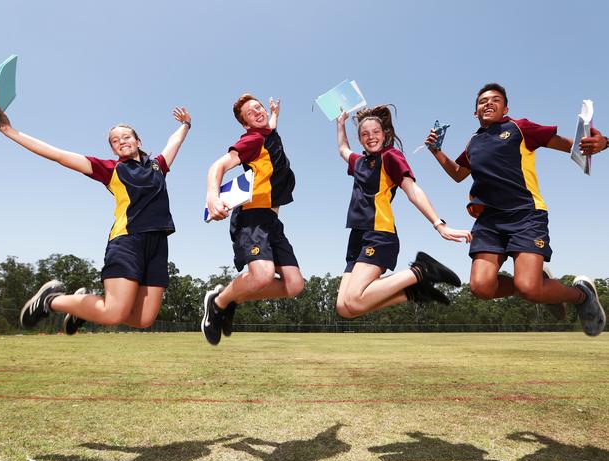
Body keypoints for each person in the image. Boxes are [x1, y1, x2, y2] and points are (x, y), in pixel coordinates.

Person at [0, 104, 192, 333]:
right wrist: (8, 130)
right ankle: (50, 300)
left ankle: (81, 307)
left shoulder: (158, 166)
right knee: (114, 313)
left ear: (138, 142)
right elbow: (59, 155)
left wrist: (186, 124)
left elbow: (175, 142)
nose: (122, 141)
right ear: (113, 150)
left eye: (126, 137)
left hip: (158, 245)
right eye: (115, 140)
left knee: (144, 319)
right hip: (127, 241)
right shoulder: (111, 170)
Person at [424, 82, 607, 335]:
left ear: (505, 108)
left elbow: (571, 145)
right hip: (489, 222)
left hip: (526, 215)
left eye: (495, 100)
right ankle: (541, 284)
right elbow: (458, 174)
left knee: (530, 289)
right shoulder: (473, 143)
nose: (488, 103)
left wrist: (602, 143)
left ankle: (580, 295)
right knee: (481, 288)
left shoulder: (519, 127)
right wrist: (436, 151)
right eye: (482, 101)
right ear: (475, 112)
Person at [334, 105, 471, 319]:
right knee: (345, 308)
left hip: (378, 234)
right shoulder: (358, 162)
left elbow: (413, 190)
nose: (371, 137)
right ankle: (414, 291)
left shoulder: (390, 157)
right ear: (360, 139)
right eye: (365, 134)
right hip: (357, 237)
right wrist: (340, 123)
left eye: (375, 132)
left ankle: (422, 269)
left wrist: (439, 224)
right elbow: (343, 149)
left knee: (354, 299)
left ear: (385, 134)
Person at [202, 94, 303, 345]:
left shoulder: (269, 134)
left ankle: (231, 296)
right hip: (252, 218)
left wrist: (274, 112)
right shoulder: (253, 140)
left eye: (258, 108)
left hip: (272, 222)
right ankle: (218, 302)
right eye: (251, 113)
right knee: (263, 275)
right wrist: (212, 197)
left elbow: (271, 125)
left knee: (294, 285)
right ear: (246, 125)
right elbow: (218, 166)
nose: (258, 112)